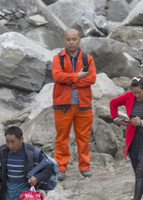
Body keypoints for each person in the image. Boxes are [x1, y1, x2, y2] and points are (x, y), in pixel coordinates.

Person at [52, 28, 96, 181]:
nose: (71, 42)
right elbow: (57, 76)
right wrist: (77, 76)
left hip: (84, 105)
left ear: (79, 40)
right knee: (62, 138)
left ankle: (85, 167)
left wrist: (71, 81)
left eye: (74, 39)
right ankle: (61, 167)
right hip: (63, 105)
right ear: (64, 41)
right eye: (68, 39)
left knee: (83, 138)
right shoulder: (58, 58)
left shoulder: (87, 58)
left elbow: (92, 79)